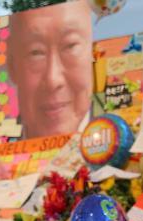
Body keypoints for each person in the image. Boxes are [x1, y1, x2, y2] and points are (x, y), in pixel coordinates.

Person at [6, 0, 94, 139]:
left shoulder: (122, 138)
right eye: (35, 53)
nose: (53, 80)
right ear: (11, 64)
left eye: (70, 46)